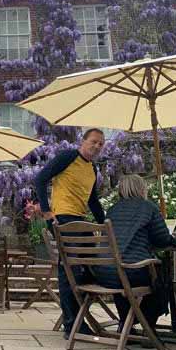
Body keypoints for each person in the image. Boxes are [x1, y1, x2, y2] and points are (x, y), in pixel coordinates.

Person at [34, 128, 106, 338]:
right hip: (64, 219)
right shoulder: (68, 157)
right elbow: (40, 179)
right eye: (94, 141)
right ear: (83, 141)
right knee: (69, 272)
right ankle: (72, 324)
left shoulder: (93, 169)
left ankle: (79, 318)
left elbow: (92, 201)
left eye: (101, 143)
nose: (97, 146)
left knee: (89, 271)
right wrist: (47, 212)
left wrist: (106, 222)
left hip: (81, 221)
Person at [93, 174, 176, 337]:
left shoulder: (112, 210)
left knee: (122, 274)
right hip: (129, 273)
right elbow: (162, 239)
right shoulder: (148, 207)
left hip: (103, 274)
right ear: (141, 188)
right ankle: (148, 327)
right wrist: (175, 241)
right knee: (158, 277)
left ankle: (126, 323)